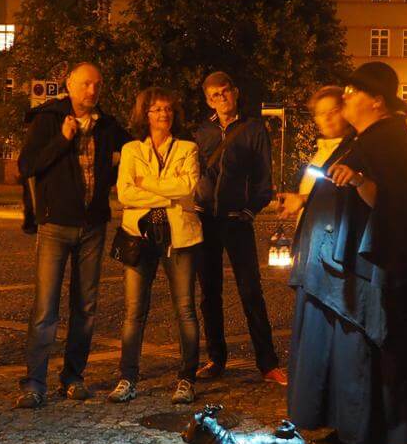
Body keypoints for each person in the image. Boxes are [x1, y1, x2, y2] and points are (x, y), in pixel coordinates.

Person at [286, 62, 407, 444]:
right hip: (338, 270)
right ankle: (344, 427)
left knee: (363, 353)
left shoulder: (392, 140)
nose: (345, 96)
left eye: (353, 91)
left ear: (377, 100)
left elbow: (391, 204)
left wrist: (357, 181)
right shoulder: (365, 138)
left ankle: (370, 440)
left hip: (364, 272)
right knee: (340, 350)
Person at [15, 62, 130, 408]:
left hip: (93, 226)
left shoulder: (107, 125)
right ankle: (34, 382)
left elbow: (133, 154)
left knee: (86, 306)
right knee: (45, 308)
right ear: (69, 85)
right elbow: (27, 166)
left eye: (97, 85)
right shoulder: (48, 118)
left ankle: (73, 376)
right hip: (55, 225)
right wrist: (63, 140)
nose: (92, 91)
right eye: (85, 85)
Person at [108, 87, 202, 405]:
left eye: (168, 109)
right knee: (134, 311)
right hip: (139, 235)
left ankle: (187, 378)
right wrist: (168, 193)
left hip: (180, 237)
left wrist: (145, 184)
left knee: (186, 310)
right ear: (144, 114)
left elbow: (188, 185)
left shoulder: (188, 148)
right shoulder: (132, 149)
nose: (163, 114)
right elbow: (125, 193)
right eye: (156, 109)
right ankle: (127, 377)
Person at [192, 71, 286, 386]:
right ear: (208, 100)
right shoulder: (201, 131)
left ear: (235, 92)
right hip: (205, 218)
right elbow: (191, 172)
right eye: (214, 95)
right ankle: (216, 358)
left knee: (251, 291)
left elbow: (263, 175)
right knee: (209, 293)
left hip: (237, 219)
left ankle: (267, 362)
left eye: (226, 92)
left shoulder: (253, 128)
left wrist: (251, 208)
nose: (222, 98)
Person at [279, 86, 354, 222]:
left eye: (334, 111)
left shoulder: (352, 151)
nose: (327, 118)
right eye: (321, 113)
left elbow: (347, 197)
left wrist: (304, 199)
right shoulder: (321, 152)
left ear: (346, 112)